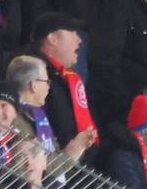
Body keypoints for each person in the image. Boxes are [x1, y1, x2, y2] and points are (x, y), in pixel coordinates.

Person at [31, 15, 100, 160]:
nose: (79, 40)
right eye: (73, 33)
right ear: (53, 39)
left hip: (74, 165)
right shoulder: (32, 73)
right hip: (50, 167)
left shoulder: (67, 77)